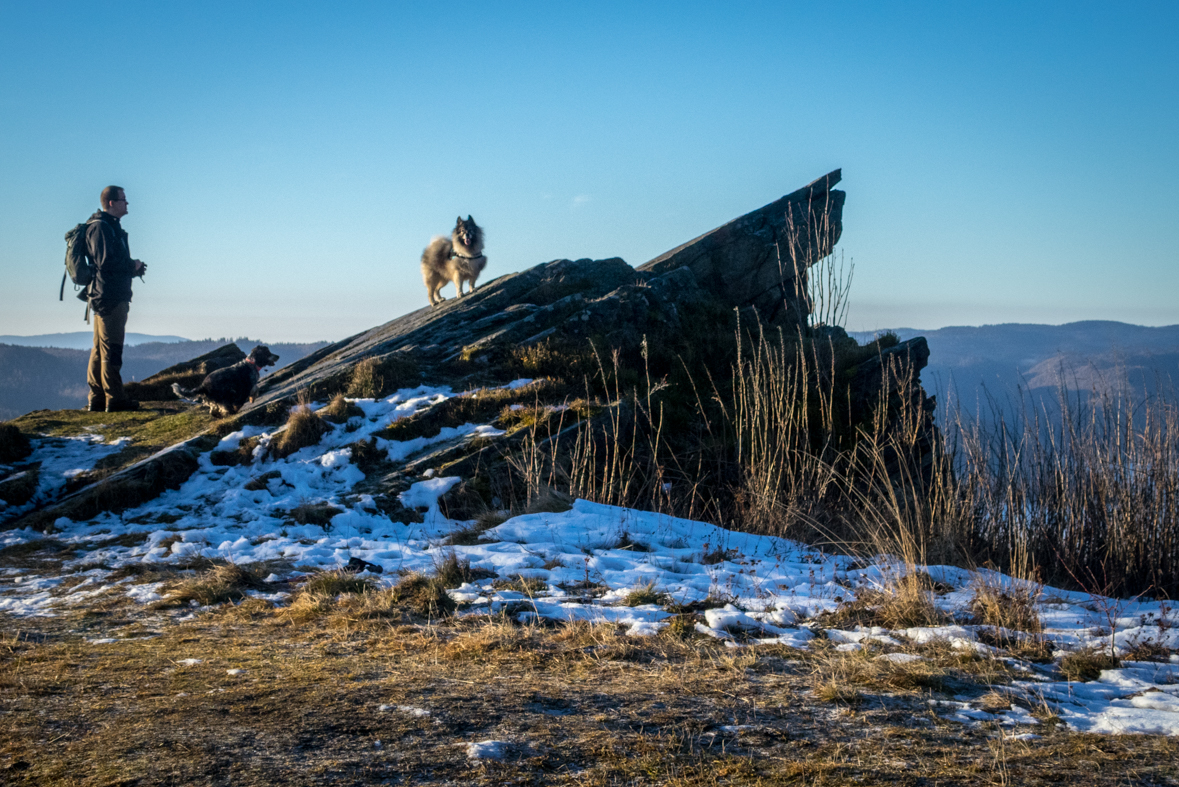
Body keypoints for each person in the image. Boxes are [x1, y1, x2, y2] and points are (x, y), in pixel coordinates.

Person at [85, 185, 146, 412]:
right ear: (111, 202)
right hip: (110, 296)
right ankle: (114, 398)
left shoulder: (105, 227)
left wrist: (133, 269)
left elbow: (106, 263)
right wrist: (132, 265)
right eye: (123, 199)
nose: (127, 203)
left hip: (104, 294)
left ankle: (97, 397)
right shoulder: (102, 228)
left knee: (100, 349)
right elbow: (106, 263)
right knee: (112, 348)